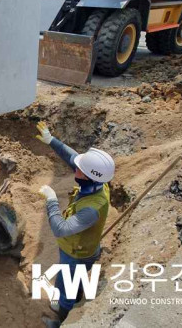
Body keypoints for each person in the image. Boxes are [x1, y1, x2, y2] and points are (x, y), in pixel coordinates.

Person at [35, 121, 115, 326]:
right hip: (86, 247)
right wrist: (52, 140)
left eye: (79, 169)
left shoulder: (92, 208)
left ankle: (62, 319)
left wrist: (52, 200)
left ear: (88, 176)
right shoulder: (98, 183)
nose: (74, 168)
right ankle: (75, 292)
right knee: (73, 280)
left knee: (65, 287)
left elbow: (60, 229)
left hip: (76, 254)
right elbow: (72, 157)